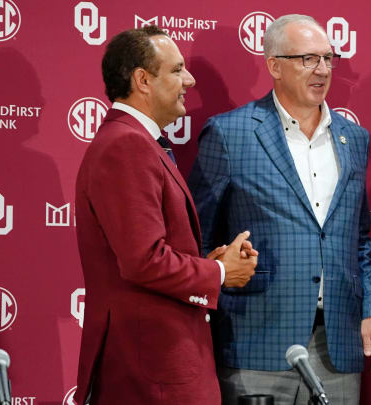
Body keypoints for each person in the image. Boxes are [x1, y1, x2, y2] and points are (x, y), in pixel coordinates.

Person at [188, 14, 371, 405]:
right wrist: (220, 267)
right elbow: (197, 235)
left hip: (338, 346)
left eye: (328, 59)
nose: (323, 70)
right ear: (274, 66)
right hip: (257, 342)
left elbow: (358, 238)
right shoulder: (230, 133)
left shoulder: (355, 139)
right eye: (307, 59)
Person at [74, 26, 257, 405]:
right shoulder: (126, 145)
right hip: (152, 371)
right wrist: (220, 273)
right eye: (176, 70)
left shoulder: (134, 141)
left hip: (157, 363)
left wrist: (211, 261)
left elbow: (149, 251)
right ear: (142, 80)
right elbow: (143, 260)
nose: (188, 80)